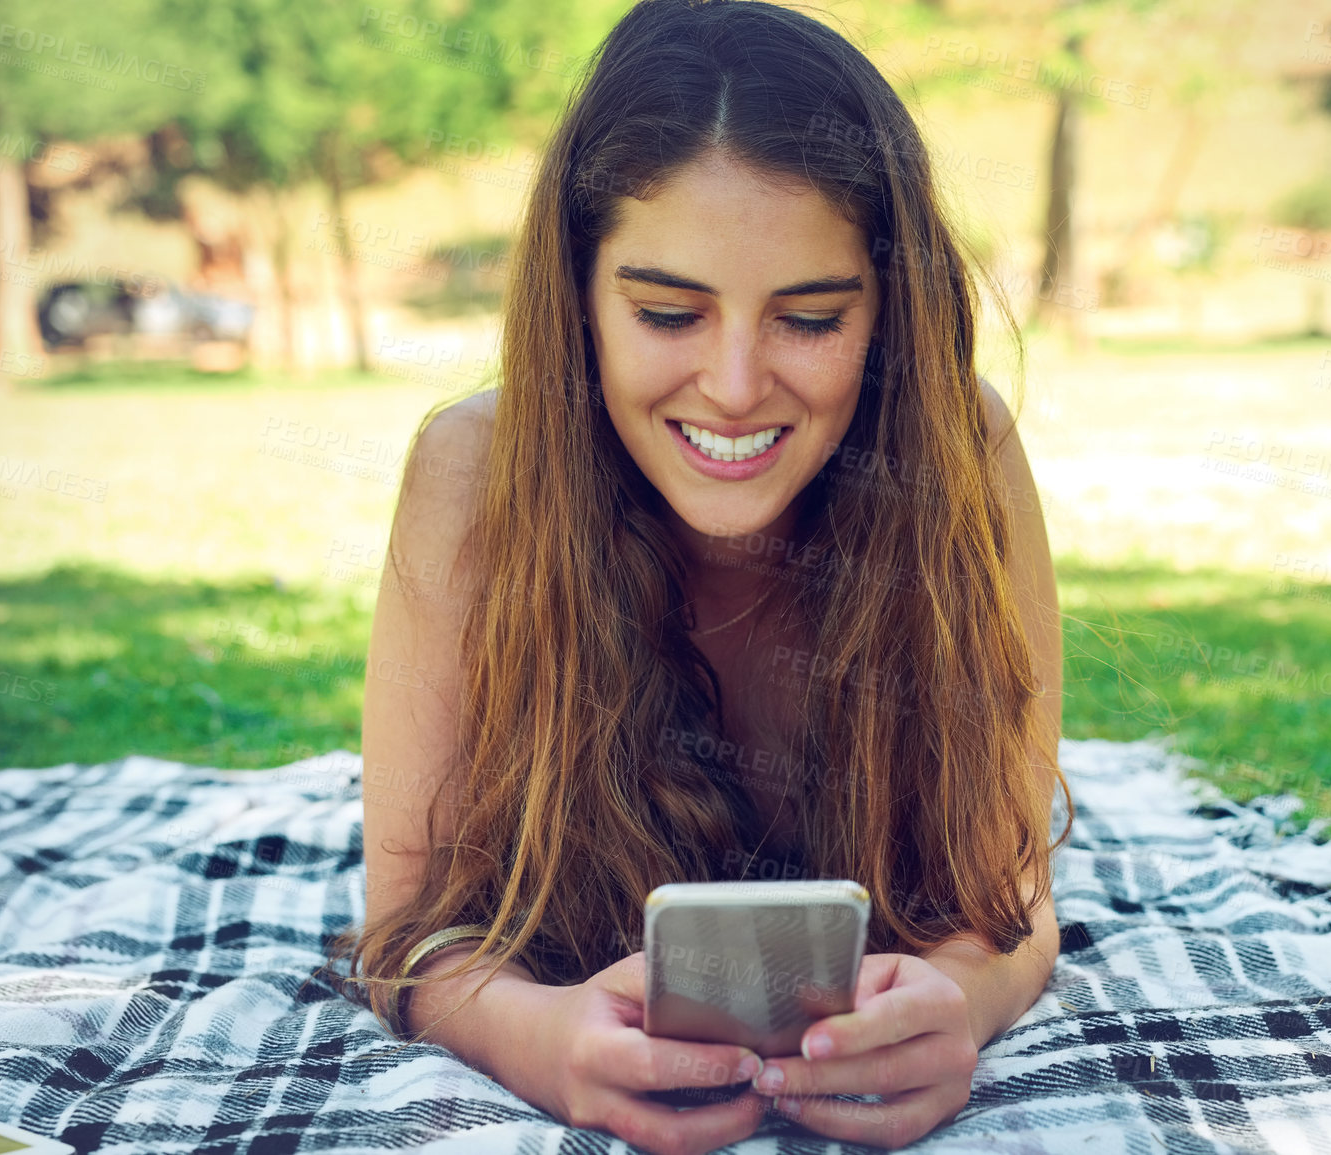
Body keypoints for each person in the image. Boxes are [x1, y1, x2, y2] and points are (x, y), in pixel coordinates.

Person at [331, 1, 1072, 1151]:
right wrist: (537, 1036)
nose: (732, 386)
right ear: (577, 300)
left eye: (810, 317)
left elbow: (1012, 900)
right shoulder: (471, 474)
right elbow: (408, 928)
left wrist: (961, 1008)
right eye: (668, 311)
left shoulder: (957, 456)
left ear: (889, 312)